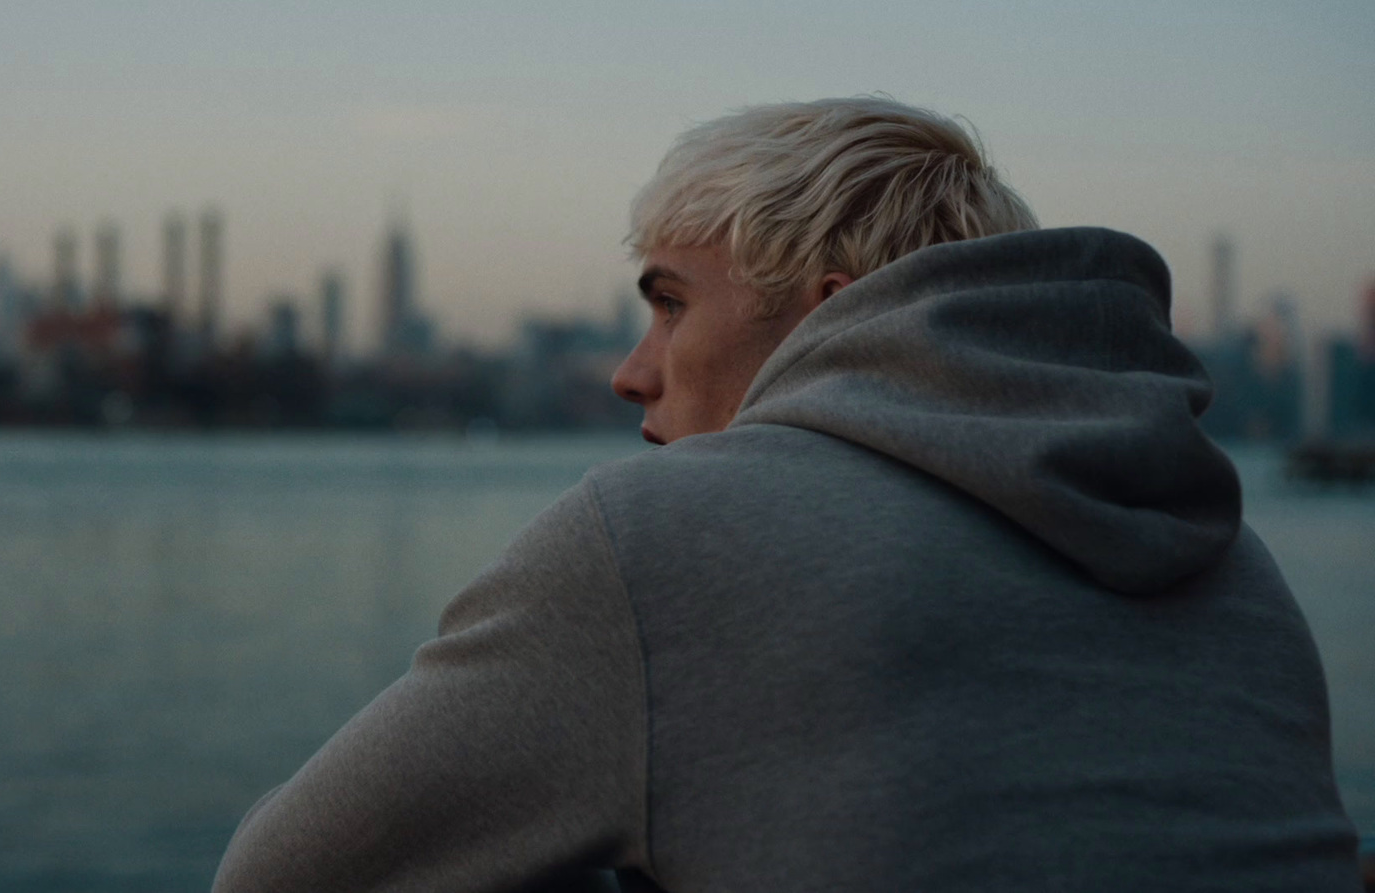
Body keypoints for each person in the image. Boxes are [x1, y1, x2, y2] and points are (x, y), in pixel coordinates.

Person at [213, 97, 1363, 892]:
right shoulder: (1224, 554)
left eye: (669, 303)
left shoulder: (656, 538)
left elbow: (279, 878)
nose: (631, 370)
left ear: (828, 312)